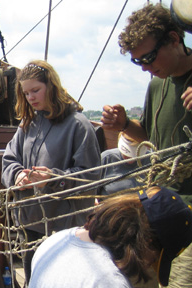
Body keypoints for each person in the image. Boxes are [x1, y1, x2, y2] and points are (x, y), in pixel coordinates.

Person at [101, 3, 192, 286]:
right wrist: (125, 125)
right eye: (138, 62)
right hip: (158, 210)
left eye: (149, 57)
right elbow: (153, 139)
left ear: (175, 39)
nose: (145, 68)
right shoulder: (157, 84)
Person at [1, 60, 101, 285]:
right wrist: (17, 176)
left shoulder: (79, 125)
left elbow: (91, 176)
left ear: (52, 86)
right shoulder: (27, 125)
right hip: (30, 225)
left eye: (36, 90)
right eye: (26, 93)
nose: (31, 98)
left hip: (65, 229)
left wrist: (53, 179)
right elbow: (9, 160)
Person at [29, 186, 192, 288]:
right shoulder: (108, 282)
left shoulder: (55, 242)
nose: (149, 266)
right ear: (147, 242)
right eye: (155, 259)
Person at [98, 129, 150, 196]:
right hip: (110, 204)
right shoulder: (107, 158)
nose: (128, 157)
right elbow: (93, 189)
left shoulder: (151, 159)